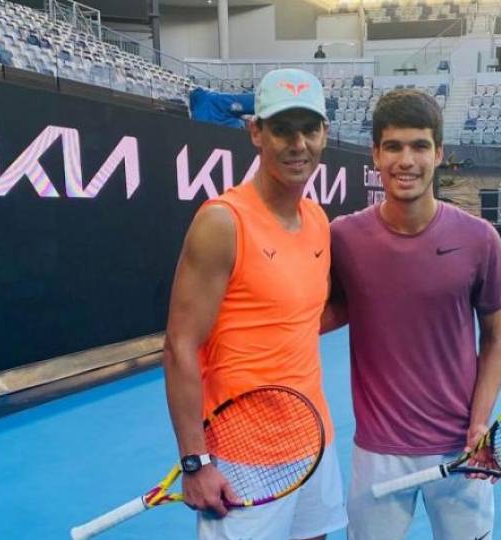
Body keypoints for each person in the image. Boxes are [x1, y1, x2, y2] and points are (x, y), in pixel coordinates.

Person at [162, 68, 346, 540]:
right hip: (242, 456)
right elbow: (180, 345)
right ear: (256, 132)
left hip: (312, 438)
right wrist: (195, 461)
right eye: (283, 128)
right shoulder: (223, 222)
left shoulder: (317, 219)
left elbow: (299, 318)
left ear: (325, 134)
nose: (297, 143)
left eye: (309, 129)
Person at [324, 89, 501, 539]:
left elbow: (496, 339)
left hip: (460, 448)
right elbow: (320, 313)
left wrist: (480, 421)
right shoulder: (342, 238)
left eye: (419, 146)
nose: (406, 160)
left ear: (439, 153)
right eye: (393, 146)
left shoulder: (480, 239)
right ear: (375, 154)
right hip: (377, 452)